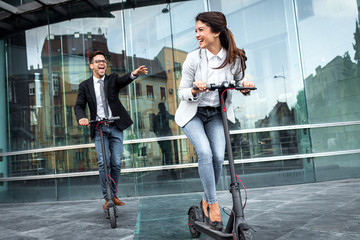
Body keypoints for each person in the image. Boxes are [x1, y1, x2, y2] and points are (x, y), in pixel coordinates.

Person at [174, 12, 255, 231]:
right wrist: (193, 89)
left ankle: (205, 199)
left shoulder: (234, 58)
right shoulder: (193, 58)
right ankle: (212, 203)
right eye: (196, 30)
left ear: (216, 32)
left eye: (201, 30)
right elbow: (181, 92)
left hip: (217, 114)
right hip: (193, 114)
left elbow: (239, 84)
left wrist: (245, 86)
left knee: (218, 156)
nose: (197, 35)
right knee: (205, 153)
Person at [74, 50, 148, 210]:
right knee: (103, 163)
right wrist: (82, 117)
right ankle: (107, 197)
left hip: (115, 127)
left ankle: (113, 194)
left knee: (116, 163)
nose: (102, 63)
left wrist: (134, 74)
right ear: (91, 65)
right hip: (99, 128)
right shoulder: (85, 86)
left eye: (104, 61)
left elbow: (123, 80)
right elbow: (79, 106)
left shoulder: (112, 79)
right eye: (98, 61)